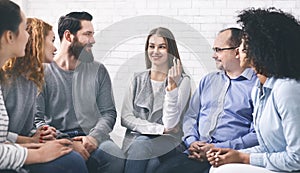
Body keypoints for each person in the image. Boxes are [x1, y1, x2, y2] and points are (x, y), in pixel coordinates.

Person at [207, 8, 300, 173]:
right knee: (219, 167)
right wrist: (233, 154)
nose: (240, 48)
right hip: (276, 165)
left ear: (262, 46)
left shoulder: (287, 90)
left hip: (290, 169)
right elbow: (267, 148)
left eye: (245, 42)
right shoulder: (259, 89)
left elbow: (297, 159)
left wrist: (243, 158)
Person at [0, 1, 88, 173]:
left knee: (74, 159)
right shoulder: (7, 80)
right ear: (10, 37)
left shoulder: (34, 80)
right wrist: (35, 149)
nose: (27, 37)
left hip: (17, 146)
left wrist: (35, 138)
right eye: (24, 29)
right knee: (72, 161)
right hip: (13, 152)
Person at [155, 28, 258, 173]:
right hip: (195, 152)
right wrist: (192, 141)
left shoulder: (256, 85)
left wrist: (219, 148)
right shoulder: (208, 80)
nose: (213, 55)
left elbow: (257, 135)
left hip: (228, 157)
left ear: (237, 52)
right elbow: (191, 116)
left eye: (218, 50)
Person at [34, 11, 125, 173]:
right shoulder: (42, 73)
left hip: (93, 136)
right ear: (69, 36)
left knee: (115, 156)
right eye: (87, 34)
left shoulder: (99, 70)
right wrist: (66, 142)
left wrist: (94, 137)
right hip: (57, 139)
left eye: (93, 34)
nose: (93, 40)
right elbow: (37, 120)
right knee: (73, 162)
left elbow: (108, 113)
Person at [121, 27, 191, 173]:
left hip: (168, 144)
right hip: (136, 143)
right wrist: (159, 129)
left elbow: (171, 123)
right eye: (151, 46)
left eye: (162, 47)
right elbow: (126, 118)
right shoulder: (136, 79)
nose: (155, 51)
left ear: (170, 50)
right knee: (151, 163)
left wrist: (172, 86)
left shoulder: (183, 81)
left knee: (142, 145)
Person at [1, 18, 57, 145]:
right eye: (52, 40)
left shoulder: (32, 80)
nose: (55, 48)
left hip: (19, 146)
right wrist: (31, 140)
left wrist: (41, 133)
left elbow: (25, 129)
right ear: (37, 41)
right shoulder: (5, 78)